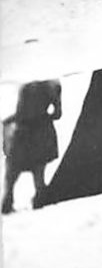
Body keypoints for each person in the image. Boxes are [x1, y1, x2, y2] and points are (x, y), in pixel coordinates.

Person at [2, 79, 62, 214]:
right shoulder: (52, 85)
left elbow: (20, 112)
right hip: (42, 134)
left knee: (12, 173)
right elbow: (57, 113)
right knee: (39, 174)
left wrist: (10, 121)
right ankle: (39, 202)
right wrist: (43, 116)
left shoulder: (25, 84)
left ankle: (7, 204)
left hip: (23, 134)